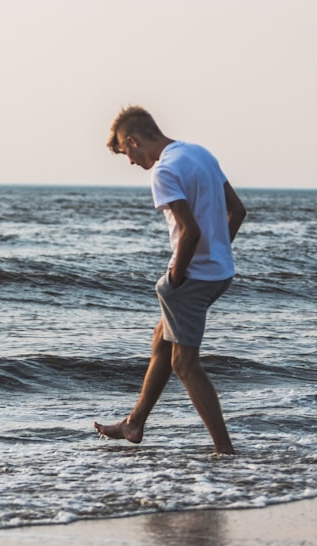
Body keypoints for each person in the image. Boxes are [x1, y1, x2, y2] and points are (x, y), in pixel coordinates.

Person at [94, 106, 246, 454]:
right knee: (162, 338)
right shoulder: (199, 153)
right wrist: (218, 251)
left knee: (184, 364)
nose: (130, 161)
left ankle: (224, 450)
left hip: (192, 276)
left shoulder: (164, 171)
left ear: (132, 140)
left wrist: (177, 277)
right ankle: (134, 423)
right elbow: (237, 210)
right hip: (218, 272)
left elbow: (190, 231)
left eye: (125, 153)